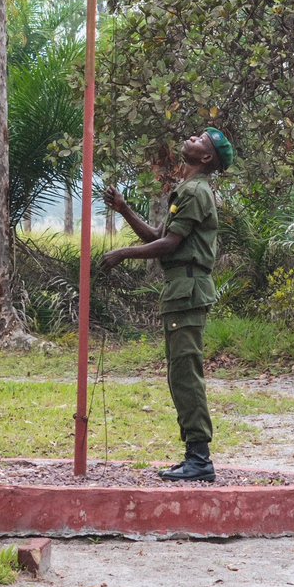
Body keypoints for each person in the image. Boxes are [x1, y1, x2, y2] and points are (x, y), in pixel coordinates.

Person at [101, 127, 235, 483]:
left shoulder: (195, 191)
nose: (192, 138)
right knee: (179, 374)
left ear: (206, 158)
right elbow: (158, 236)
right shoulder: (187, 190)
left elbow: (170, 245)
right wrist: (124, 209)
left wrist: (121, 254)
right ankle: (194, 455)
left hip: (188, 289)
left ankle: (200, 459)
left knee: (185, 374)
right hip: (181, 289)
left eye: (201, 140)